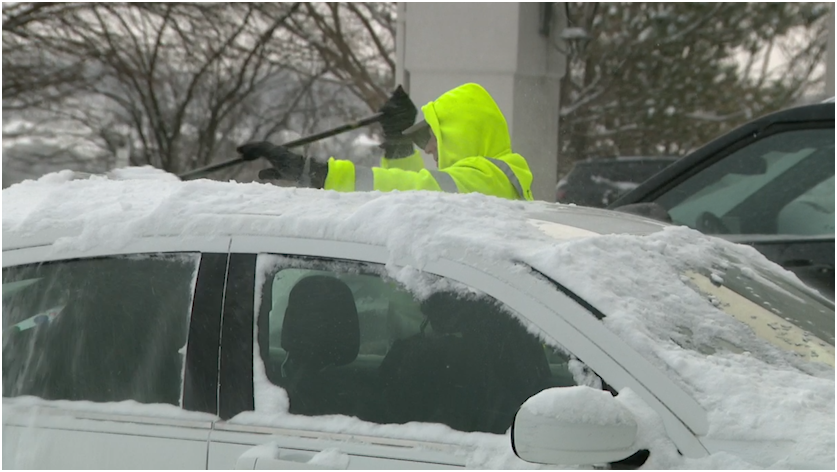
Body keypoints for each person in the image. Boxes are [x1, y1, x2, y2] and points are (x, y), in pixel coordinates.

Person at [237, 83, 534, 201]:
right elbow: (414, 189)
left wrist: (317, 173)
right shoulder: (488, 180)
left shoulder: (491, 179)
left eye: (432, 138)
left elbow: (417, 192)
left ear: (462, 135)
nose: (428, 149)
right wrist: (398, 147)